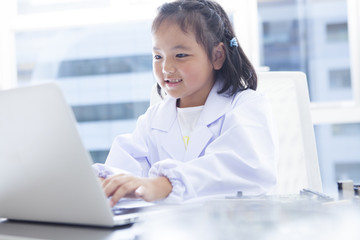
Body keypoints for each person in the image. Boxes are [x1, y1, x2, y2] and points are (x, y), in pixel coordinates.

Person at [93, 0, 278, 206]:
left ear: (217, 56)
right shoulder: (153, 120)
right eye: (158, 56)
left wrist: (163, 185)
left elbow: (244, 168)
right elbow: (126, 168)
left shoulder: (246, 105)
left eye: (180, 55)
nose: (167, 68)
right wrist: (104, 182)